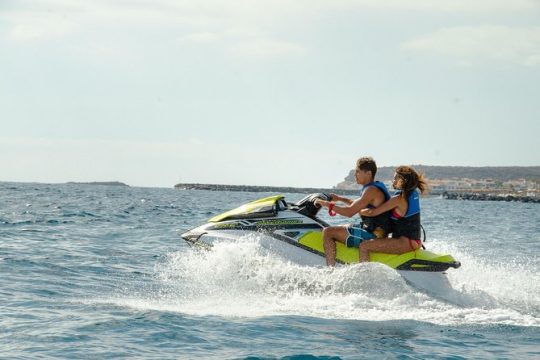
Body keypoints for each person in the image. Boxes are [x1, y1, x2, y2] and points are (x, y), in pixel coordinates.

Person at [314, 157, 391, 266]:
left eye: (358, 172)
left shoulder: (371, 190)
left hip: (374, 235)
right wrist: (340, 198)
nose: (355, 175)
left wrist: (326, 204)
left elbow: (349, 212)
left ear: (368, 173)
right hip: (371, 229)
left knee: (328, 232)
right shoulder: (372, 188)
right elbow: (356, 204)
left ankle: (330, 270)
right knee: (342, 226)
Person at [358, 165, 428, 262]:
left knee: (364, 246)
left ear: (403, 180)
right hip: (413, 241)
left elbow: (373, 212)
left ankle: (366, 274)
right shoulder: (411, 194)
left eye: (395, 178)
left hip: (405, 243)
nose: (393, 181)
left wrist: (358, 210)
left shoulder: (398, 199)